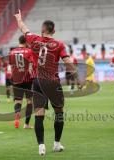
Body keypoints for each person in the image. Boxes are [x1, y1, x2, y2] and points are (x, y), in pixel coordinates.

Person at [14, 10, 76, 156]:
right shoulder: (59, 45)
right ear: (53, 31)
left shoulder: (33, 39)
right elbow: (67, 61)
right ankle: (56, 144)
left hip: (37, 82)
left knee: (39, 115)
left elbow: (23, 28)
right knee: (59, 112)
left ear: (42, 30)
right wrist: (76, 76)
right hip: (52, 82)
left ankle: (41, 146)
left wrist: (19, 18)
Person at [8, 35, 34, 129]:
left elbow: (11, 66)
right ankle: (26, 124)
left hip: (16, 79)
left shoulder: (12, 52)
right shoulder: (29, 51)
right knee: (29, 101)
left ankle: (17, 114)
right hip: (27, 79)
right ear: (26, 42)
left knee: (18, 100)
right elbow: (32, 64)